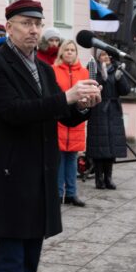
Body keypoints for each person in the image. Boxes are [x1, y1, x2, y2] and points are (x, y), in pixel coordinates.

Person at [0, 0, 102, 272]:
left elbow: (57, 113)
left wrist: (84, 106)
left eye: (38, 23)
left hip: (41, 180)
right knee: (10, 267)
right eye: (25, 23)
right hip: (12, 180)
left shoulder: (44, 69)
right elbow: (15, 112)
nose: (34, 30)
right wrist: (67, 98)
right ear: (9, 27)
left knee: (29, 267)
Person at [86, 50, 131, 190]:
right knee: (100, 145)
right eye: (102, 55)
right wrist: (102, 79)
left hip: (113, 111)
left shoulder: (116, 69)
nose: (105, 58)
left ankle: (108, 177)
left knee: (111, 145)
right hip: (99, 109)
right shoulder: (93, 69)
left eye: (107, 55)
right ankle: (99, 178)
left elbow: (125, 90)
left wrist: (120, 78)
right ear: (98, 58)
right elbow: (91, 86)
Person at [53, 40, 89, 207]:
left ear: (76, 53)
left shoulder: (84, 72)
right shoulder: (53, 71)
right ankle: (58, 193)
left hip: (76, 120)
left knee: (72, 158)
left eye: (72, 50)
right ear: (61, 52)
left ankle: (72, 194)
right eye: (66, 50)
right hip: (59, 119)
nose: (69, 52)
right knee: (59, 159)